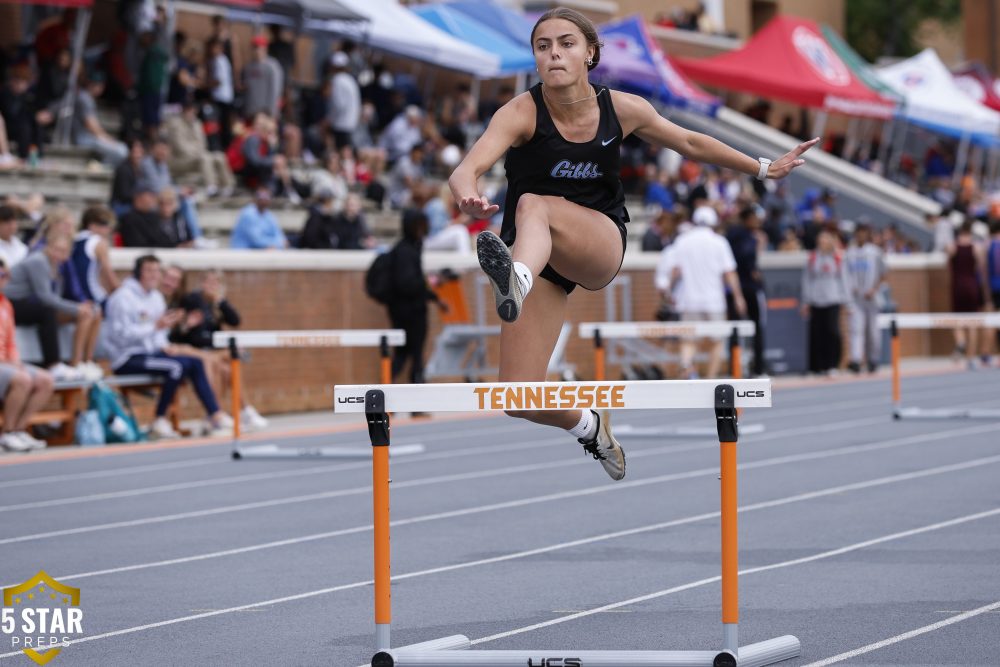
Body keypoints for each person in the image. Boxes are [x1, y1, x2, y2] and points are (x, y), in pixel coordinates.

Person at [447, 7, 815, 480]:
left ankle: (514, 279)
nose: (554, 52)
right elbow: (464, 171)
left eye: (566, 43)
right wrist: (468, 198)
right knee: (517, 397)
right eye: (543, 46)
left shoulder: (620, 108)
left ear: (590, 54)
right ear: (535, 59)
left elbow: (690, 142)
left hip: (596, 241)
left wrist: (764, 168)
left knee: (533, 204)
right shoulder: (520, 112)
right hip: (541, 261)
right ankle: (589, 424)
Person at [104, 255, 232, 439]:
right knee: (175, 367)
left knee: (195, 362)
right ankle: (159, 419)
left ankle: (215, 414)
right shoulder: (123, 298)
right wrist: (154, 327)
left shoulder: (156, 297)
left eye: (157, 271)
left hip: (152, 353)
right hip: (127, 357)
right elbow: (120, 336)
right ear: (139, 272)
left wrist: (165, 346)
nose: (154, 275)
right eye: (149, 270)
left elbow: (159, 334)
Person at [170, 270, 268, 430]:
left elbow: (235, 320)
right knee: (216, 361)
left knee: (227, 368)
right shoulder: (193, 300)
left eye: (215, 282)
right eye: (208, 282)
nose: (211, 286)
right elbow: (195, 337)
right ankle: (215, 413)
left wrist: (221, 301)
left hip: (210, 351)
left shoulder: (216, 303)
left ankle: (238, 411)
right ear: (201, 283)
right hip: (193, 350)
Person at [657, 205, 746, 379]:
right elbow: (729, 273)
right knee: (717, 342)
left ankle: (686, 366)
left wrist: (668, 292)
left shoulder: (683, 241)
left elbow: (676, 271)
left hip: (689, 300)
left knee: (688, 340)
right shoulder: (719, 242)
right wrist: (738, 297)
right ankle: (710, 379)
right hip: (714, 301)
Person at [4, 231, 102, 381]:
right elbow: (46, 297)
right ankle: (56, 363)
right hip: (7, 302)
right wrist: (77, 308)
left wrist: (80, 307)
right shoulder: (38, 261)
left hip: (22, 302)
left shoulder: (55, 265)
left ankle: (85, 361)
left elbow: (55, 295)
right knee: (48, 312)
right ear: (48, 247)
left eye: (63, 251)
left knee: (94, 313)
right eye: (56, 249)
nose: (59, 254)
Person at [384, 210, 446, 387]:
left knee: (407, 355)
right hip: (408, 313)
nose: (423, 230)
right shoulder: (405, 251)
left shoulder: (412, 247)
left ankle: (390, 394)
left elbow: (416, 282)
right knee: (409, 355)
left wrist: (434, 297)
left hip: (410, 310)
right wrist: (433, 283)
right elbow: (408, 284)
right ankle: (398, 397)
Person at [0, 258, 53, 452]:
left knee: (45, 380)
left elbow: (10, 341)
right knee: (21, 379)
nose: (3, 280)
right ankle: (6, 433)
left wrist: (15, 360)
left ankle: (18, 429)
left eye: (5, 276)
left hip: (6, 363)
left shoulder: (6, 304)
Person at [801, 227, 851, 376]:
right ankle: (816, 366)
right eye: (820, 239)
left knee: (832, 332)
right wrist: (806, 301)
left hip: (832, 299)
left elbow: (844, 280)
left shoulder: (837, 258)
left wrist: (846, 302)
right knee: (817, 334)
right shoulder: (812, 258)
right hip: (816, 300)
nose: (822, 241)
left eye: (825, 239)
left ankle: (832, 365)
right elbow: (807, 280)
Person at [726, 205, 768, 376]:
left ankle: (736, 369)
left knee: (736, 329)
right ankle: (756, 368)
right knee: (755, 328)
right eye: (754, 217)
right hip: (747, 287)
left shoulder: (732, 235)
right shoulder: (745, 237)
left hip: (735, 288)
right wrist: (757, 245)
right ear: (747, 218)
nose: (757, 221)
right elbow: (746, 258)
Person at [845, 223, 887, 373]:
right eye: (859, 233)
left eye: (864, 232)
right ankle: (856, 360)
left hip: (872, 298)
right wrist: (850, 290)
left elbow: (883, 273)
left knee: (873, 332)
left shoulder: (875, 252)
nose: (861, 236)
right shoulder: (849, 253)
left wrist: (874, 289)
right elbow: (846, 276)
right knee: (856, 329)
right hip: (857, 299)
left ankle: (873, 359)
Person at [947, 221, 988, 368]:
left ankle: (960, 341)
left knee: (956, 319)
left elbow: (948, 265)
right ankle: (971, 357)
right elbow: (981, 269)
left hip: (957, 286)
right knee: (973, 323)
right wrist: (984, 291)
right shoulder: (976, 247)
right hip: (971, 286)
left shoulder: (952, 247)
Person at [70, 206, 120, 309]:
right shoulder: (99, 242)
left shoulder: (74, 239)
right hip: (91, 297)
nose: (109, 230)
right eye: (105, 225)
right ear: (92, 225)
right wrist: (123, 292)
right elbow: (108, 275)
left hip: (72, 294)